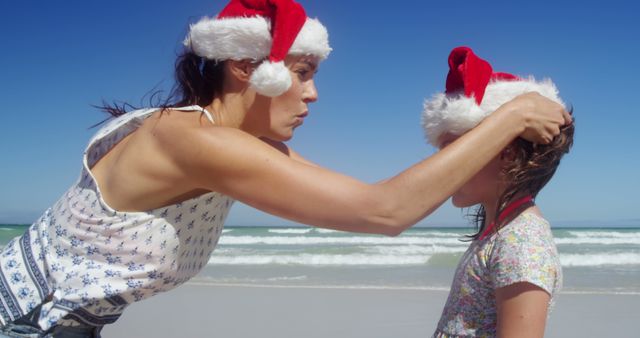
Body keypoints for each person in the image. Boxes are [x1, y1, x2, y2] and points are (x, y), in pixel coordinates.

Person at [0, 1, 570, 337]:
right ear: (247, 67)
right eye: (301, 72)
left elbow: (375, 197)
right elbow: (385, 211)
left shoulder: (215, 141)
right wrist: (513, 112)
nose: (313, 94)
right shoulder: (193, 141)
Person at [424, 47, 573, 337]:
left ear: (505, 153)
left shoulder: (522, 242)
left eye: (452, 152)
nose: (440, 167)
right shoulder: (498, 233)